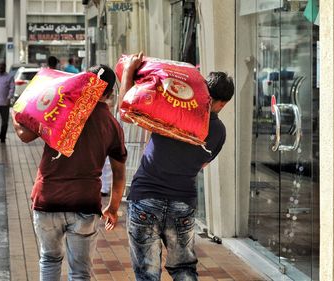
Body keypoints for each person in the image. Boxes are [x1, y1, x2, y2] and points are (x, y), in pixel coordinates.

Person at [119, 52, 235, 281]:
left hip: (145, 198)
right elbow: (202, 164)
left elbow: (127, 110)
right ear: (223, 102)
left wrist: (130, 71)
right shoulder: (219, 132)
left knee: (147, 273)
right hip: (182, 203)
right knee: (183, 269)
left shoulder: (172, 109)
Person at [12, 64, 127, 280]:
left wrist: (14, 112)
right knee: (80, 272)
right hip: (84, 203)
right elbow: (119, 174)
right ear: (111, 93)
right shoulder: (112, 125)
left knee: (49, 260)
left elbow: (24, 135)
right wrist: (112, 207)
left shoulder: (62, 109)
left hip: (47, 199)